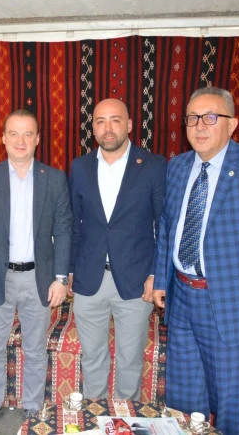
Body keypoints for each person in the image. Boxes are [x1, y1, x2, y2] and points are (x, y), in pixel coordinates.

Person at [152, 86, 239, 435]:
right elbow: (168, 226)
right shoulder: (177, 166)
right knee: (184, 396)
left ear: (232, 124)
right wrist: (160, 280)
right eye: (192, 118)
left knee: (228, 400)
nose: (200, 126)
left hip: (230, 303)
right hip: (182, 298)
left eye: (211, 117)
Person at [0, 109, 72, 433]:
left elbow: (64, 230)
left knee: (35, 348)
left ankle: (33, 408)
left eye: (28, 134)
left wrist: (60, 278)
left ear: (38, 139)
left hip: (38, 278)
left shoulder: (54, 179)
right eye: (13, 133)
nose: (20, 140)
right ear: (3, 138)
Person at [68, 98, 166, 400]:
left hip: (136, 282)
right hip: (89, 278)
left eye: (115, 120)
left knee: (130, 362)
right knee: (92, 359)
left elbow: (164, 224)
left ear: (130, 125)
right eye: (100, 121)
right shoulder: (80, 167)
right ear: (92, 127)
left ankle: (126, 419)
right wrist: (69, 270)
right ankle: (93, 417)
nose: (107, 128)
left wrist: (156, 274)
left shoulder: (153, 166)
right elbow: (73, 224)